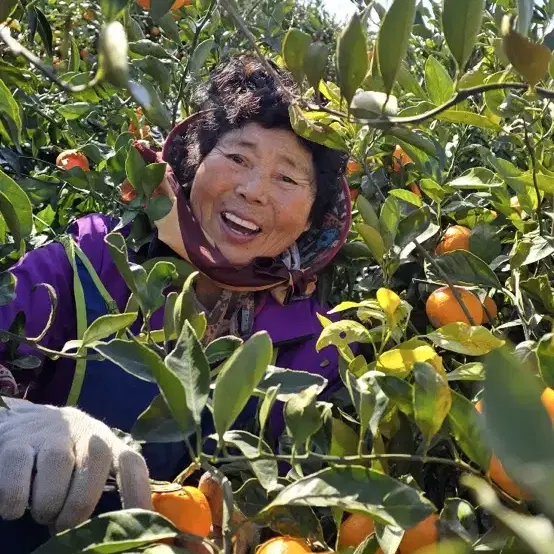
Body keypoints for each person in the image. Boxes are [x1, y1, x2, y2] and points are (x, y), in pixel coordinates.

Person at [0, 55, 350, 552]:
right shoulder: (89, 265)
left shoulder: (314, 345)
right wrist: (15, 415)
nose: (252, 191)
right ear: (193, 165)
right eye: (237, 158)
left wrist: (254, 526)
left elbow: (314, 505)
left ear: (313, 216)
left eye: (288, 179)